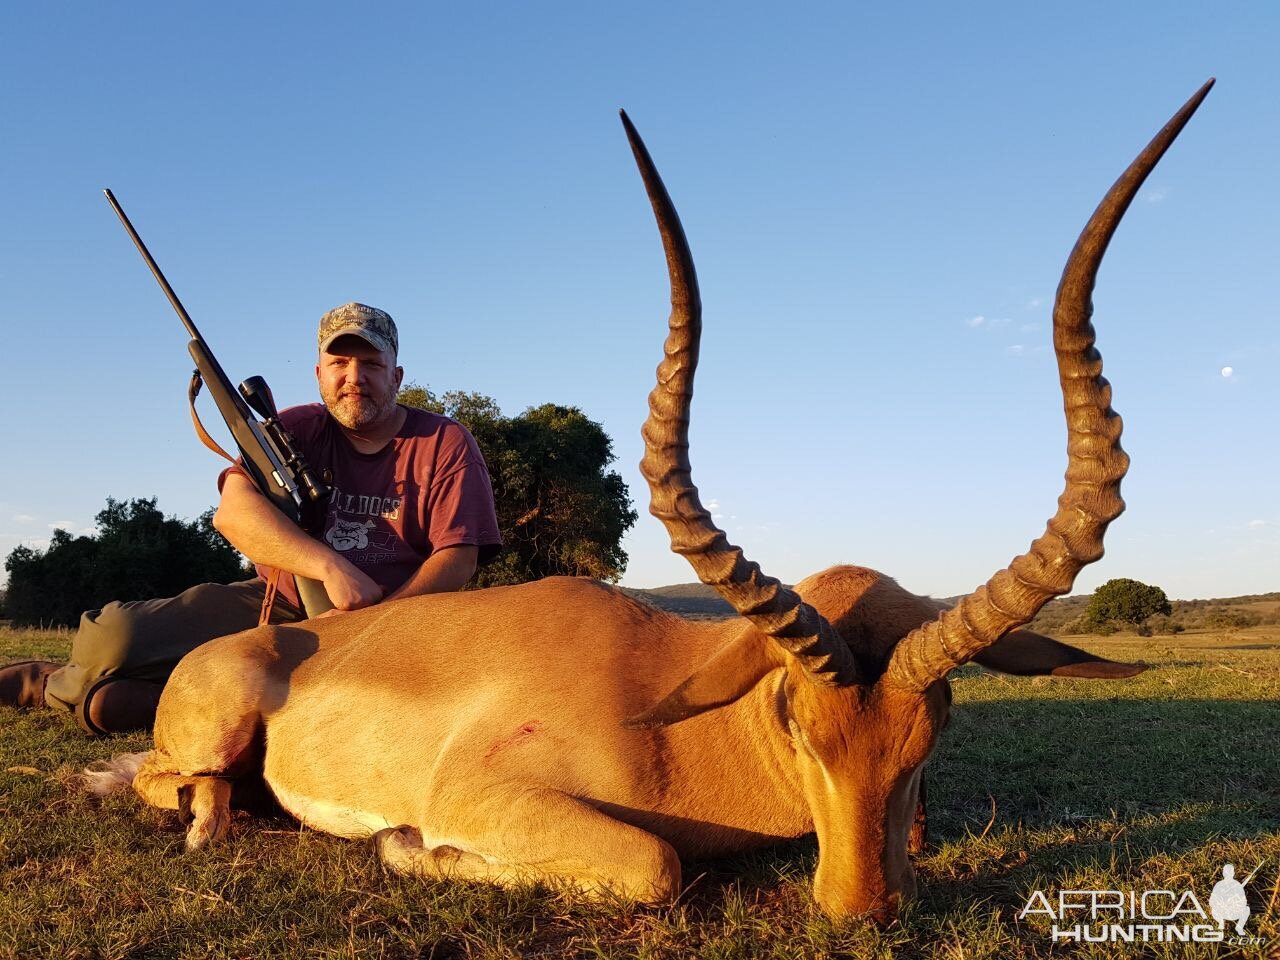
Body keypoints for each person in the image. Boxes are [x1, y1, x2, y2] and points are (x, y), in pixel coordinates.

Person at [0, 303, 501, 735]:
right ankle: (45, 681)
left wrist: (374, 624)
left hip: (398, 626)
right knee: (112, 637)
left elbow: (458, 557)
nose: (354, 377)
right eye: (340, 362)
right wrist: (329, 566)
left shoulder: (445, 442)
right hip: (278, 603)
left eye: (371, 363)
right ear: (319, 373)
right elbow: (234, 514)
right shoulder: (297, 428)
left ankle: (143, 701)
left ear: (396, 376)